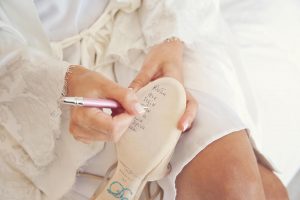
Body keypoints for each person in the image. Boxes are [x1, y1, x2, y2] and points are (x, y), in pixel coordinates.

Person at [0, 0, 288, 199]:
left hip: (147, 29)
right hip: (36, 70)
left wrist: (170, 40)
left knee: (242, 187)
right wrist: (62, 82)